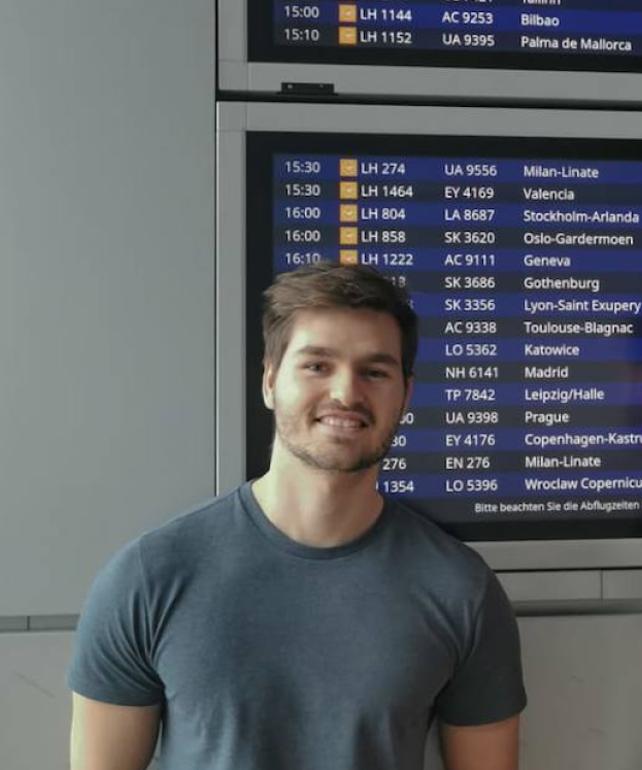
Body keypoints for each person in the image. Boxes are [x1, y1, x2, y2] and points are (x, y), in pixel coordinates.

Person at [68, 264, 525, 770]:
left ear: (406, 394)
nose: (346, 394)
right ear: (269, 381)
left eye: (375, 371)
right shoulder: (148, 578)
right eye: (317, 366)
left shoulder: (462, 590)